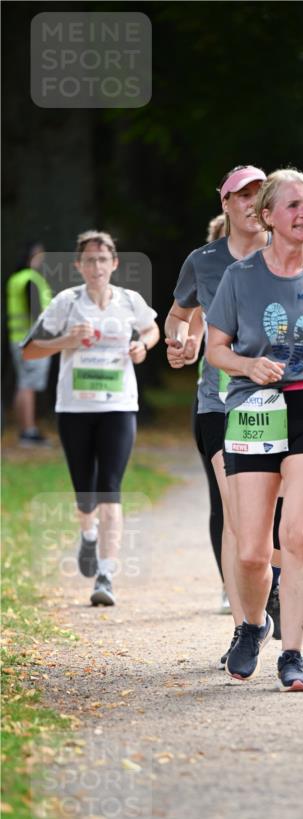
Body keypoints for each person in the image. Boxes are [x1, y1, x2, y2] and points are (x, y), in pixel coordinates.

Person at [206, 168, 303, 692]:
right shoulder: (240, 277)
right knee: (252, 550)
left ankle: (293, 654)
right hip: (254, 408)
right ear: (267, 216)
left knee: (297, 535)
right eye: (294, 206)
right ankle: (251, 627)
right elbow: (215, 349)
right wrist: (248, 367)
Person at [165, 165, 273, 660]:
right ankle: (243, 627)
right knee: (234, 514)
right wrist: (182, 341)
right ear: (225, 203)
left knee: (276, 513)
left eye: (260, 194)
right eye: (242, 195)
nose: (252, 202)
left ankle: (265, 587)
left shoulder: (289, 257)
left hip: (284, 403)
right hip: (221, 403)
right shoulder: (203, 261)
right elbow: (180, 314)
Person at [21, 230, 159, 606]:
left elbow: (151, 328)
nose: (97, 266)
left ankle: (105, 576)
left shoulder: (130, 300)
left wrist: (142, 345)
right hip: (75, 409)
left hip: (118, 406)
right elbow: (31, 351)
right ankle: (87, 533)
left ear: (114, 263)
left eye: (103, 259)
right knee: (86, 492)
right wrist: (64, 341)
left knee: (110, 489)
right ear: (78, 266)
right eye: (90, 260)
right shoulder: (67, 302)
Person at [6, 241, 53, 446]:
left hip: (17, 338)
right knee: (28, 385)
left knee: (23, 384)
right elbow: (37, 312)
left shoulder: (16, 278)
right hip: (31, 341)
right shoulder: (31, 279)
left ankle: (24, 429)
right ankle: (29, 431)